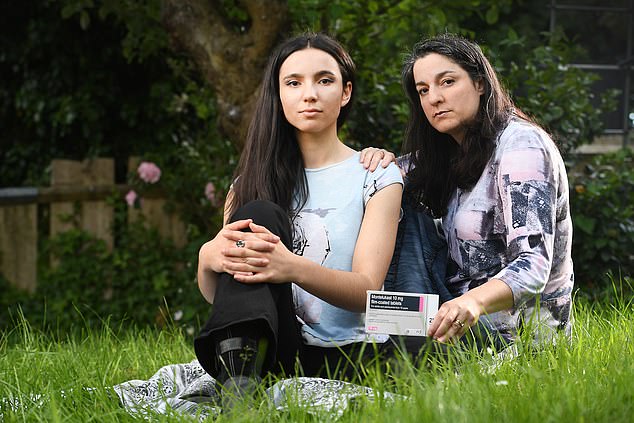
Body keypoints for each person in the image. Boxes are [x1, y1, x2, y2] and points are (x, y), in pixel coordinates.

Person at [194, 32, 403, 407]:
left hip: (346, 354)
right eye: (294, 83)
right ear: (279, 95)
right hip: (276, 350)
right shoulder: (247, 183)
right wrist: (207, 258)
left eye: (324, 80)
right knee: (257, 211)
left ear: (346, 92)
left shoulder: (376, 176)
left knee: (257, 214)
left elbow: (368, 293)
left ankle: (241, 389)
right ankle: (238, 394)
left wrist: (290, 267)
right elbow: (228, 299)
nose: (309, 94)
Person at [361, 33, 574, 349]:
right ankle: (374, 333)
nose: (434, 97)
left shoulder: (521, 146)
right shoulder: (453, 151)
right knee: (388, 193)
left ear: (480, 83)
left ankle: (392, 343)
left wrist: (471, 303)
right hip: (456, 319)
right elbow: (380, 179)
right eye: (423, 90)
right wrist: (380, 162)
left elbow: (533, 265)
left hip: (515, 339)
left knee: (401, 209)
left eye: (447, 82)